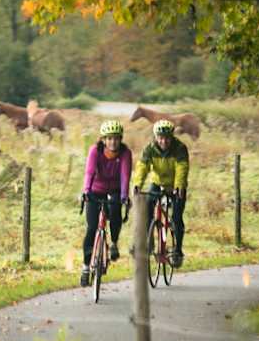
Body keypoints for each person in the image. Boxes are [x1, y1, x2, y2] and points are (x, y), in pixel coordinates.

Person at [79, 120, 132, 286]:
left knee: (115, 214)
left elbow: (125, 176)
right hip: (95, 190)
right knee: (91, 228)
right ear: (103, 139)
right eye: (109, 139)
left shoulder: (125, 153)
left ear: (120, 139)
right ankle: (86, 267)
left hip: (115, 191)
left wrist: (124, 196)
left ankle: (114, 243)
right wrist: (86, 191)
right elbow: (89, 172)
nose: (113, 142)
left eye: (116, 138)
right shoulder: (95, 151)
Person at [132, 119, 190, 267]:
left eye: (167, 138)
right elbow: (142, 167)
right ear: (156, 137)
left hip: (175, 185)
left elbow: (181, 168)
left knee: (176, 217)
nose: (163, 141)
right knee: (146, 211)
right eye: (160, 137)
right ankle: (148, 243)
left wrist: (179, 186)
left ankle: (177, 250)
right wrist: (138, 184)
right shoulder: (150, 148)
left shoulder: (180, 148)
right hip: (157, 183)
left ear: (172, 137)